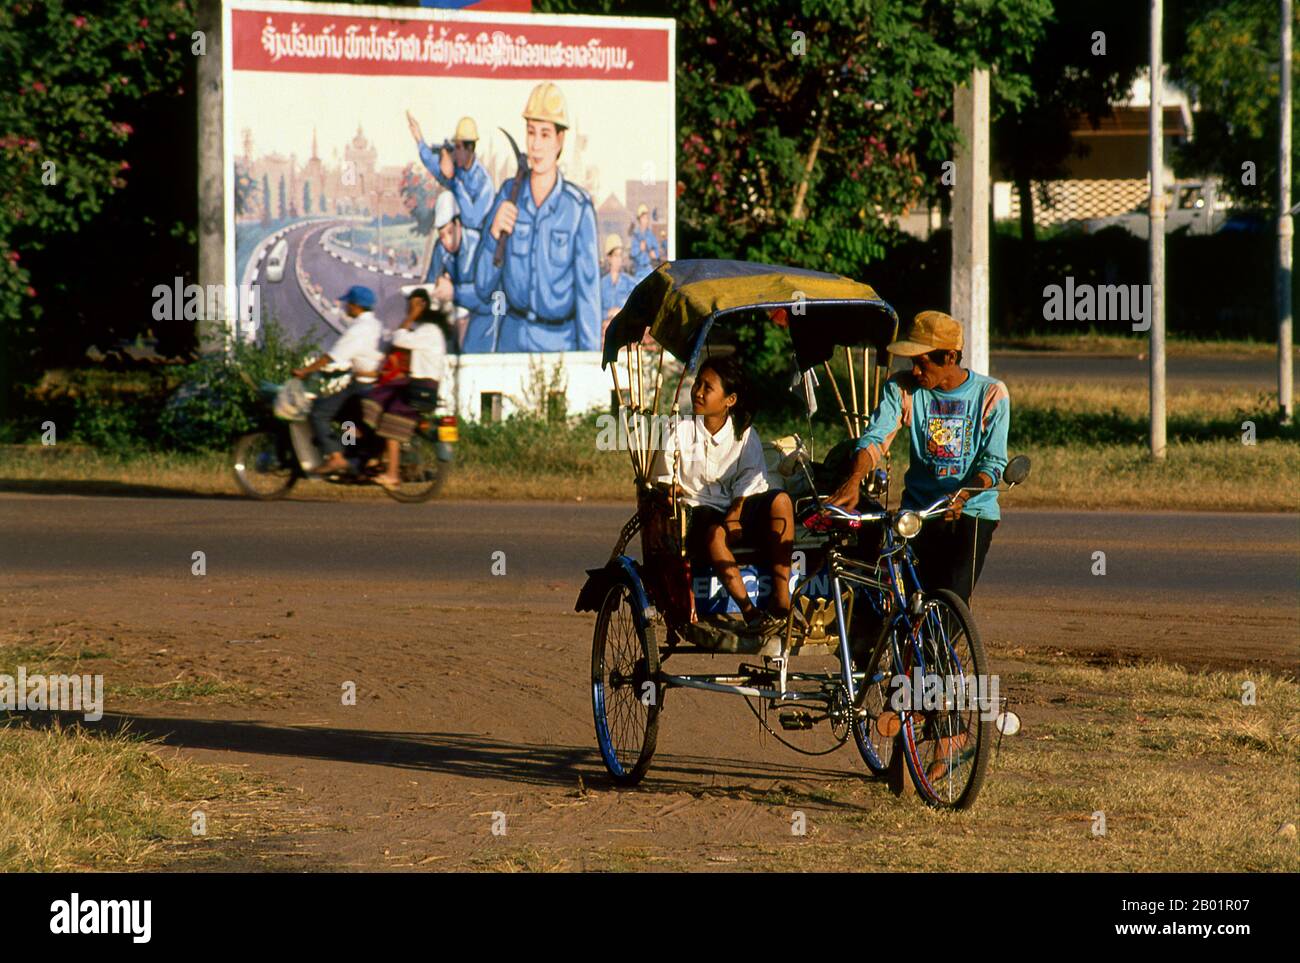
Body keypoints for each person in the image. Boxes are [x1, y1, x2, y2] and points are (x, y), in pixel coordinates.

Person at [827, 311, 1010, 605]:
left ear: (950, 357)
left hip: (971, 512)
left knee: (953, 605)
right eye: (912, 362)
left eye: (922, 363)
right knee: (912, 603)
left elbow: (993, 464)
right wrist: (853, 480)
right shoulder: (902, 388)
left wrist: (962, 495)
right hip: (919, 512)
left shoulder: (991, 393)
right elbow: (875, 440)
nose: (914, 371)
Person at [652, 355, 795, 631]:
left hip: (735, 506)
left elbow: (752, 478)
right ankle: (749, 610)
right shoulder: (678, 429)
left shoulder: (744, 434)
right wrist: (670, 488)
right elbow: (663, 477)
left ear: (730, 400)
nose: (698, 392)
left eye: (708, 387)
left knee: (781, 501)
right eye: (698, 385)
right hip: (696, 508)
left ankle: (781, 597)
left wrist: (735, 514)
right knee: (715, 534)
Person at [471, 82, 601, 353]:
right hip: (512, 340)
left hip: (560, 344)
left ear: (560, 140)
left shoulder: (577, 209)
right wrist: (494, 234)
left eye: (545, 134)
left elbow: (588, 298)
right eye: (531, 133)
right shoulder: (509, 193)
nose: (536, 144)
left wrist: (590, 366)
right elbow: (483, 286)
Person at [362, 288, 450, 490]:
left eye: (413, 307)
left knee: (367, 418)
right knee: (377, 409)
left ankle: (350, 453)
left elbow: (398, 341)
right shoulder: (423, 332)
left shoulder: (426, 331)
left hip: (414, 386)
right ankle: (371, 456)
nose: (408, 312)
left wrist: (410, 317)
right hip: (406, 384)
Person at [293, 285, 384, 475]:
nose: (345, 307)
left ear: (356, 306)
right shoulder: (375, 325)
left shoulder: (359, 329)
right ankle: (351, 452)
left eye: (348, 303)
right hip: (370, 383)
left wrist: (305, 371)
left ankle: (336, 457)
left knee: (319, 413)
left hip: (361, 386)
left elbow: (333, 356)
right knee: (346, 417)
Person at [407, 113, 494, 233]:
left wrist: (455, 182)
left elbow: (472, 220)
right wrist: (419, 139)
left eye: (458, 148)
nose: (454, 153)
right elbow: (431, 162)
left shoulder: (484, 183)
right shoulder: (457, 168)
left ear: (469, 149)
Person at [426, 191, 489, 351]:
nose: (446, 241)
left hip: (485, 317)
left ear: (459, 224)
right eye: (441, 236)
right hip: (456, 317)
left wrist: (454, 292)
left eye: (450, 232)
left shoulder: (480, 246)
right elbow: (431, 283)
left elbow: (492, 296)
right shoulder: (440, 248)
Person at [599, 234, 635, 336]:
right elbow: (596, 311)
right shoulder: (601, 284)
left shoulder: (629, 282)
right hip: (605, 331)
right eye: (615, 255)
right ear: (609, 258)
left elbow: (636, 308)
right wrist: (608, 314)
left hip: (625, 330)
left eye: (620, 255)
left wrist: (621, 312)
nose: (618, 259)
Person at [628, 203, 661, 280]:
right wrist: (640, 249)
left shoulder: (651, 235)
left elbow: (657, 252)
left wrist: (654, 254)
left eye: (647, 218)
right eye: (643, 218)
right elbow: (632, 254)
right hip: (637, 270)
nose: (646, 221)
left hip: (648, 269)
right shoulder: (635, 235)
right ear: (639, 219)